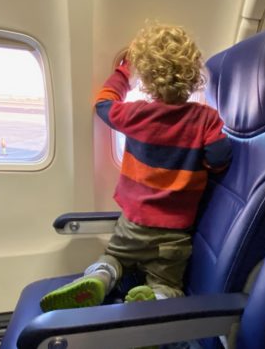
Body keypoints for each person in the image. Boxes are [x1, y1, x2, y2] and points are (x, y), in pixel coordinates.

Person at [40, 23, 231, 312]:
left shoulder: (136, 114)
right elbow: (219, 158)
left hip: (130, 227)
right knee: (167, 282)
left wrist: (123, 71)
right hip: (174, 234)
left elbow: (103, 104)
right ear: (193, 76)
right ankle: (156, 300)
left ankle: (100, 277)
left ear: (146, 76)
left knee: (113, 259)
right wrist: (204, 163)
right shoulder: (205, 118)